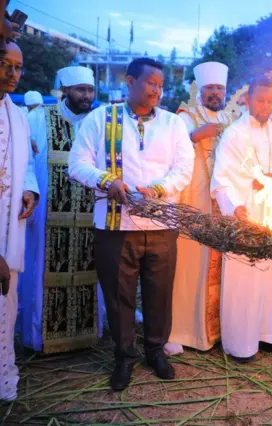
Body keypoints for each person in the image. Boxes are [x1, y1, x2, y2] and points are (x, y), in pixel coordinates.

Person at [69, 58, 194, 391]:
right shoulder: (101, 118)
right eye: (150, 82)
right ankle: (124, 358)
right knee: (119, 296)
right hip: (115, 225)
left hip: (161, 224)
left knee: (159, 293)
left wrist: (157, 189)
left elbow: (184, 169)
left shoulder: (172, 123)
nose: (156, 90)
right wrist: (106, 180)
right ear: (130, 81)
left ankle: (155, 351)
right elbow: (76, 163)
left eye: (160, 85)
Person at [211, 78, 272, 364]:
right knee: (246, 281)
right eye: (260, 100)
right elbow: (222, 178)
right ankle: (242, 345)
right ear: (248, 100)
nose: (266, 106)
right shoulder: (234, 135)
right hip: (247, 217)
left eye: (270, 101)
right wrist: (237, 205)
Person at [19, 66, 104, 353]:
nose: (86, 95)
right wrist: (28, 189)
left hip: (92, 215)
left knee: (91, 272)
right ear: (65, 90)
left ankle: (86, 335)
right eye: (80, 89)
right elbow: (25, 160)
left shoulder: (98, 120)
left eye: (90, 90)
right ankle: (43, 337)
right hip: (48, 216)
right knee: (43, 269)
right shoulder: (39, 118)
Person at [165, 61, 232, 356]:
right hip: (193, 203)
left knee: (219, 268)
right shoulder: (185, 116)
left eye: (219, 88)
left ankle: (214, 333)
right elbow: (173, 152)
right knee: (187, 267)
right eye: (210, 89)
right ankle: (178, 331)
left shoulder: (232, 119)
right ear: (200, 91)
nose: (215, 93)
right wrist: (197, 135)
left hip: (222, 205)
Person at [0, 42, 38, 401]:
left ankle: (4, 376)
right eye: (4, 64)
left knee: (6, 307)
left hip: (10, 225)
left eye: (18, 67)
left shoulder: (18, 115)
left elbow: (26, 164)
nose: (13, 74)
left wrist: (30, 190)